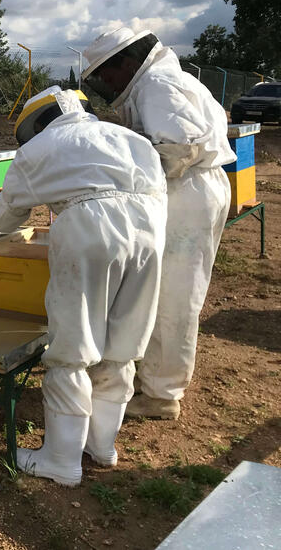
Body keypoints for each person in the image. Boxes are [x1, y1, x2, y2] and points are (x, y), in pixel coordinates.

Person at [0, 86, 167, 486]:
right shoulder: (131, 138)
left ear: (37, 123)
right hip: (150, 232)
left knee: (71, 350)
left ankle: (61, 462)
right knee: (122, 345)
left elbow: (3, 220)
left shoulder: (39, 149)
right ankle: (102, 448)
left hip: (89, 231)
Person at [82, 28, 235, 420]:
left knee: (173, 296)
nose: (109, 84)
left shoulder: (158, 85)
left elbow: (179, 148)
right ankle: (154, 378)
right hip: (191, 188)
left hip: (188, 191)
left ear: (129, 64)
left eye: (109, 75)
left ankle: (162, 395)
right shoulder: (165, 81)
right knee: (161, 288)